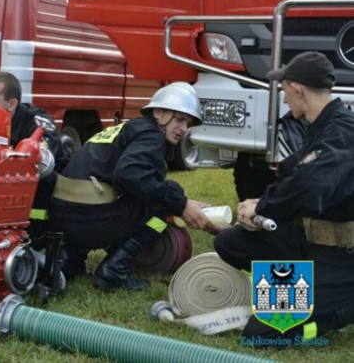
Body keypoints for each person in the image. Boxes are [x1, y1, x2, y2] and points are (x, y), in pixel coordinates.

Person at [215, 51, 354, 343]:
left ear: (298, 88)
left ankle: (340, 310)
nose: (283, 95)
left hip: (341, 256)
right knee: (230, 242)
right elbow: (292, 174)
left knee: (260, 335)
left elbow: (310, 186)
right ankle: (297, 289)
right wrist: (258, 205)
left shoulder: (342, 130)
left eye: (284, 88)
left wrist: (264, 207)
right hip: (308, 241)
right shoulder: (319, 126)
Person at [48, 83, 212, 291]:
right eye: (179, 119)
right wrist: (181, 204)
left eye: (188, 123)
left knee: (156, 191)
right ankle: (116, 269)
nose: (183, 128)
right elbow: (130, 175)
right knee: (168, 197)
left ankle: (71, 259)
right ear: (158, 113)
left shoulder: (128, 128)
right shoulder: (151, 135)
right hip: (87, 223)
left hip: (62, 221)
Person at [0, 71, 69, 245]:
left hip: (44, 187)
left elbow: (37, 160)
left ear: (12, 104)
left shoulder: (37, 122)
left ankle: (35, 239)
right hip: (3, 179)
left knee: (36, 178)